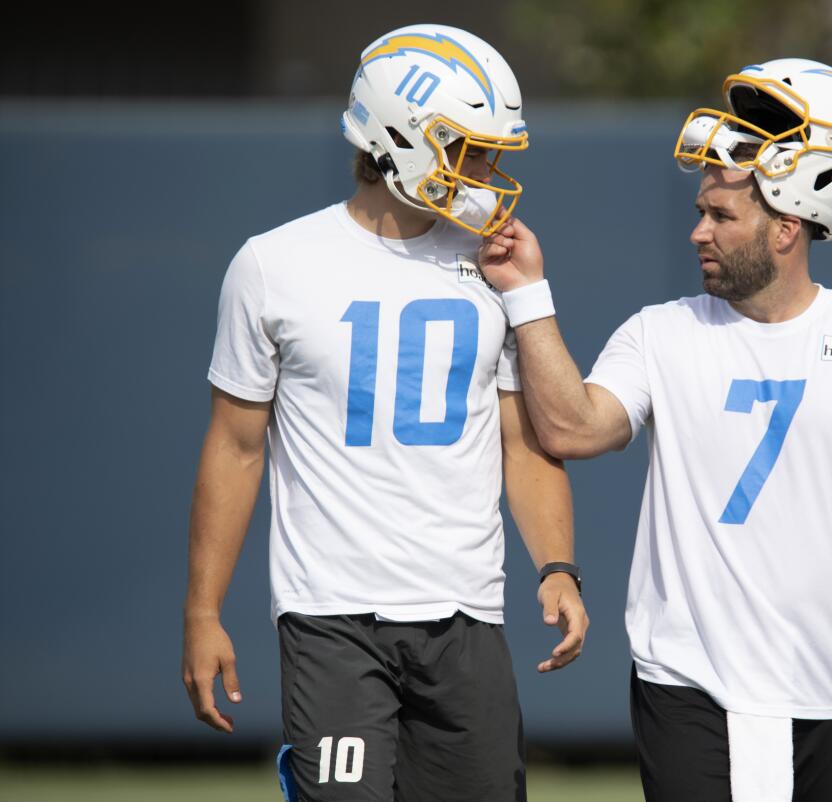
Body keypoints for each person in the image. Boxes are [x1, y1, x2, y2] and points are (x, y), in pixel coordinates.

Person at [479, 59, 832, 802]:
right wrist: (528, 294)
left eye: (723, 217)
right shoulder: (661, 333)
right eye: (703, 210)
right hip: (688, 677)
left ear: (787, 230)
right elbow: (575, 429)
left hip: (826, 683)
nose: (699, 230)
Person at [181, 24, 587, 802]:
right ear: (401, 136)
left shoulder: (495, 264)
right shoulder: (274, 264)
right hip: (331, 613)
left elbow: (521, 440)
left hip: (466, 610)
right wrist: (203, 612)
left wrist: (559, 566)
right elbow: (234, 448)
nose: (486, 171)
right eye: (466, 148)